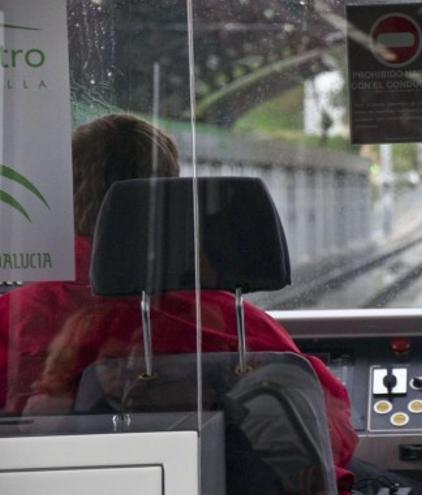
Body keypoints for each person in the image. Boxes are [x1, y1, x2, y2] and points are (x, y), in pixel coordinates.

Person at [0, 114, 358, 492]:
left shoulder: (14, 319)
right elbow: (329, 439)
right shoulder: (234, 326)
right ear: (168, 200)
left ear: (62, 196)